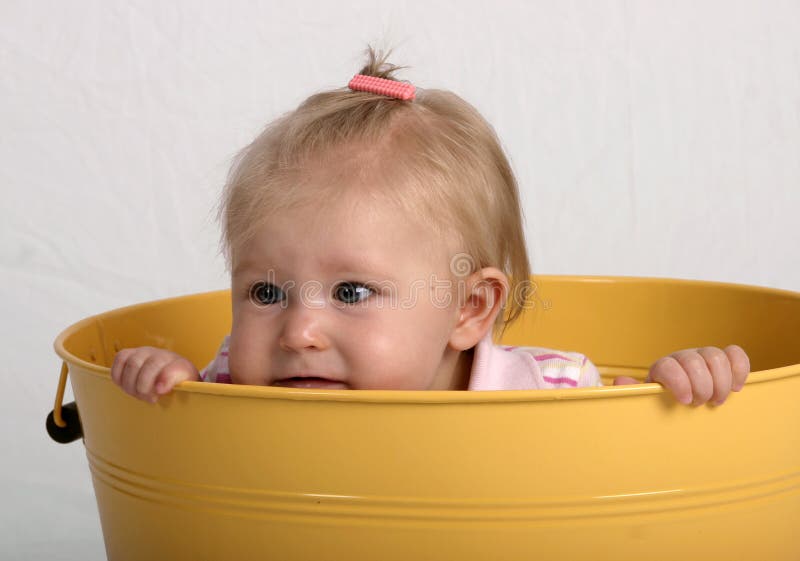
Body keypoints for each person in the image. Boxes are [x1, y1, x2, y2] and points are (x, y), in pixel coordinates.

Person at [111, 46, 750, 405]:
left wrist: (681, 386)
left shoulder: (550, 392)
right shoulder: (232, 386)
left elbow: (626, 463)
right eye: (266, 292)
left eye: (352, 292)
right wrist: (165, 385)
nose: (298, 332)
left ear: (470, 310)